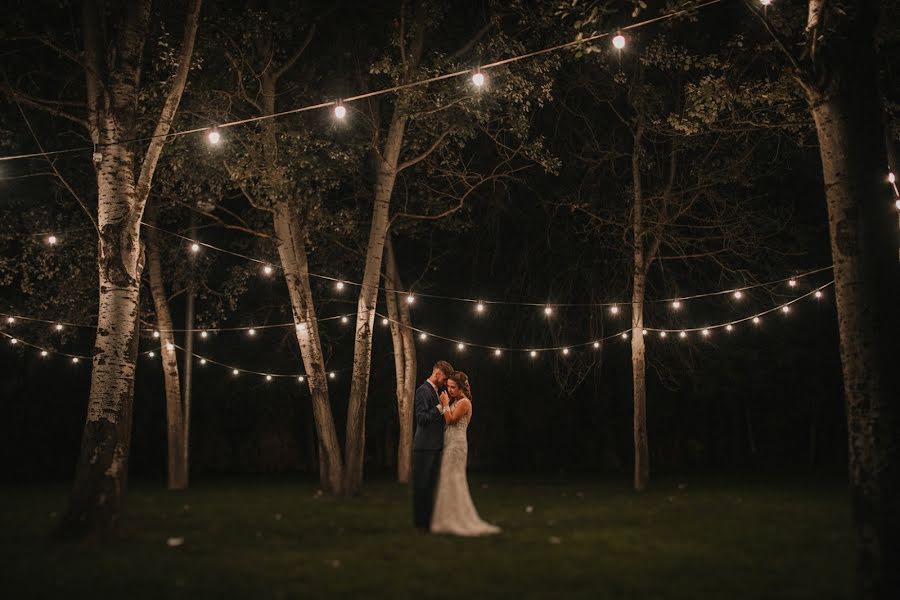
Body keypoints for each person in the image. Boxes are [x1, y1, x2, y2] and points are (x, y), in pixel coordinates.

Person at [430, 371, 501, 536]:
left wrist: (445, 403)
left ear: (461, 387)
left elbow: (451, 420)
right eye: (448, 387)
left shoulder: (465, 403)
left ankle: (459, 518)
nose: (450, 390)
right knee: (446, 479)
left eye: (453, 387)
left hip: (457, 446)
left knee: (455, 479)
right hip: (449, 444)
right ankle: (446, 518)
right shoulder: (454, 400)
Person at [412, 360, 453, 532]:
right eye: (444, 379)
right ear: (437, 374)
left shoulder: (437, 391)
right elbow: (421, 419)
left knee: (430, 487)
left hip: (435, 446)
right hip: (424, 447)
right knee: (422, 487)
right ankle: (421, 525)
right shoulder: (423, 391)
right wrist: (440, 406)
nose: (445, 383)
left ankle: (428, 523)